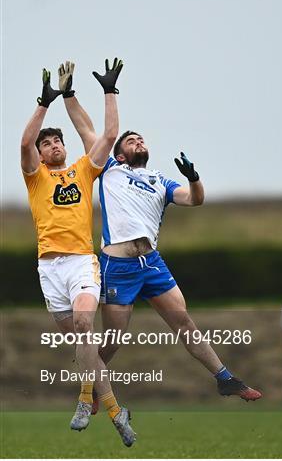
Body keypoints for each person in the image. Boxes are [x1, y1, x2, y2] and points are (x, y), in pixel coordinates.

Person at [64, 65, 262, 409]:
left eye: (141, 138)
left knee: (183, 321)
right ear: (120, 153)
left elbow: (195, 199)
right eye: (131, 140)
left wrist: (195, 177)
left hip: (151, 263)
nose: (138, 140)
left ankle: (225, 378)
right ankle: (91, 386)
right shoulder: (109, 170)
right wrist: (70, 94)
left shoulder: (160, 180)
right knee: (112, 341)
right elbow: (86, 128)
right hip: (118, 266)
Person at [21, 60, 136, 446]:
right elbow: (23, 144)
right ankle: (110, 408)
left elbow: (109, 134)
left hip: (80, 263)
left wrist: (109, 90)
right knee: (84, 347)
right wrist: (44, 102)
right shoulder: (35, 176)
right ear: (40, 154)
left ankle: (97, 406)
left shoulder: (83, 171)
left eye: (58, 141)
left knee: (86, 329)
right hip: (48, 270)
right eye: (47, 143)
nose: (54, 146)